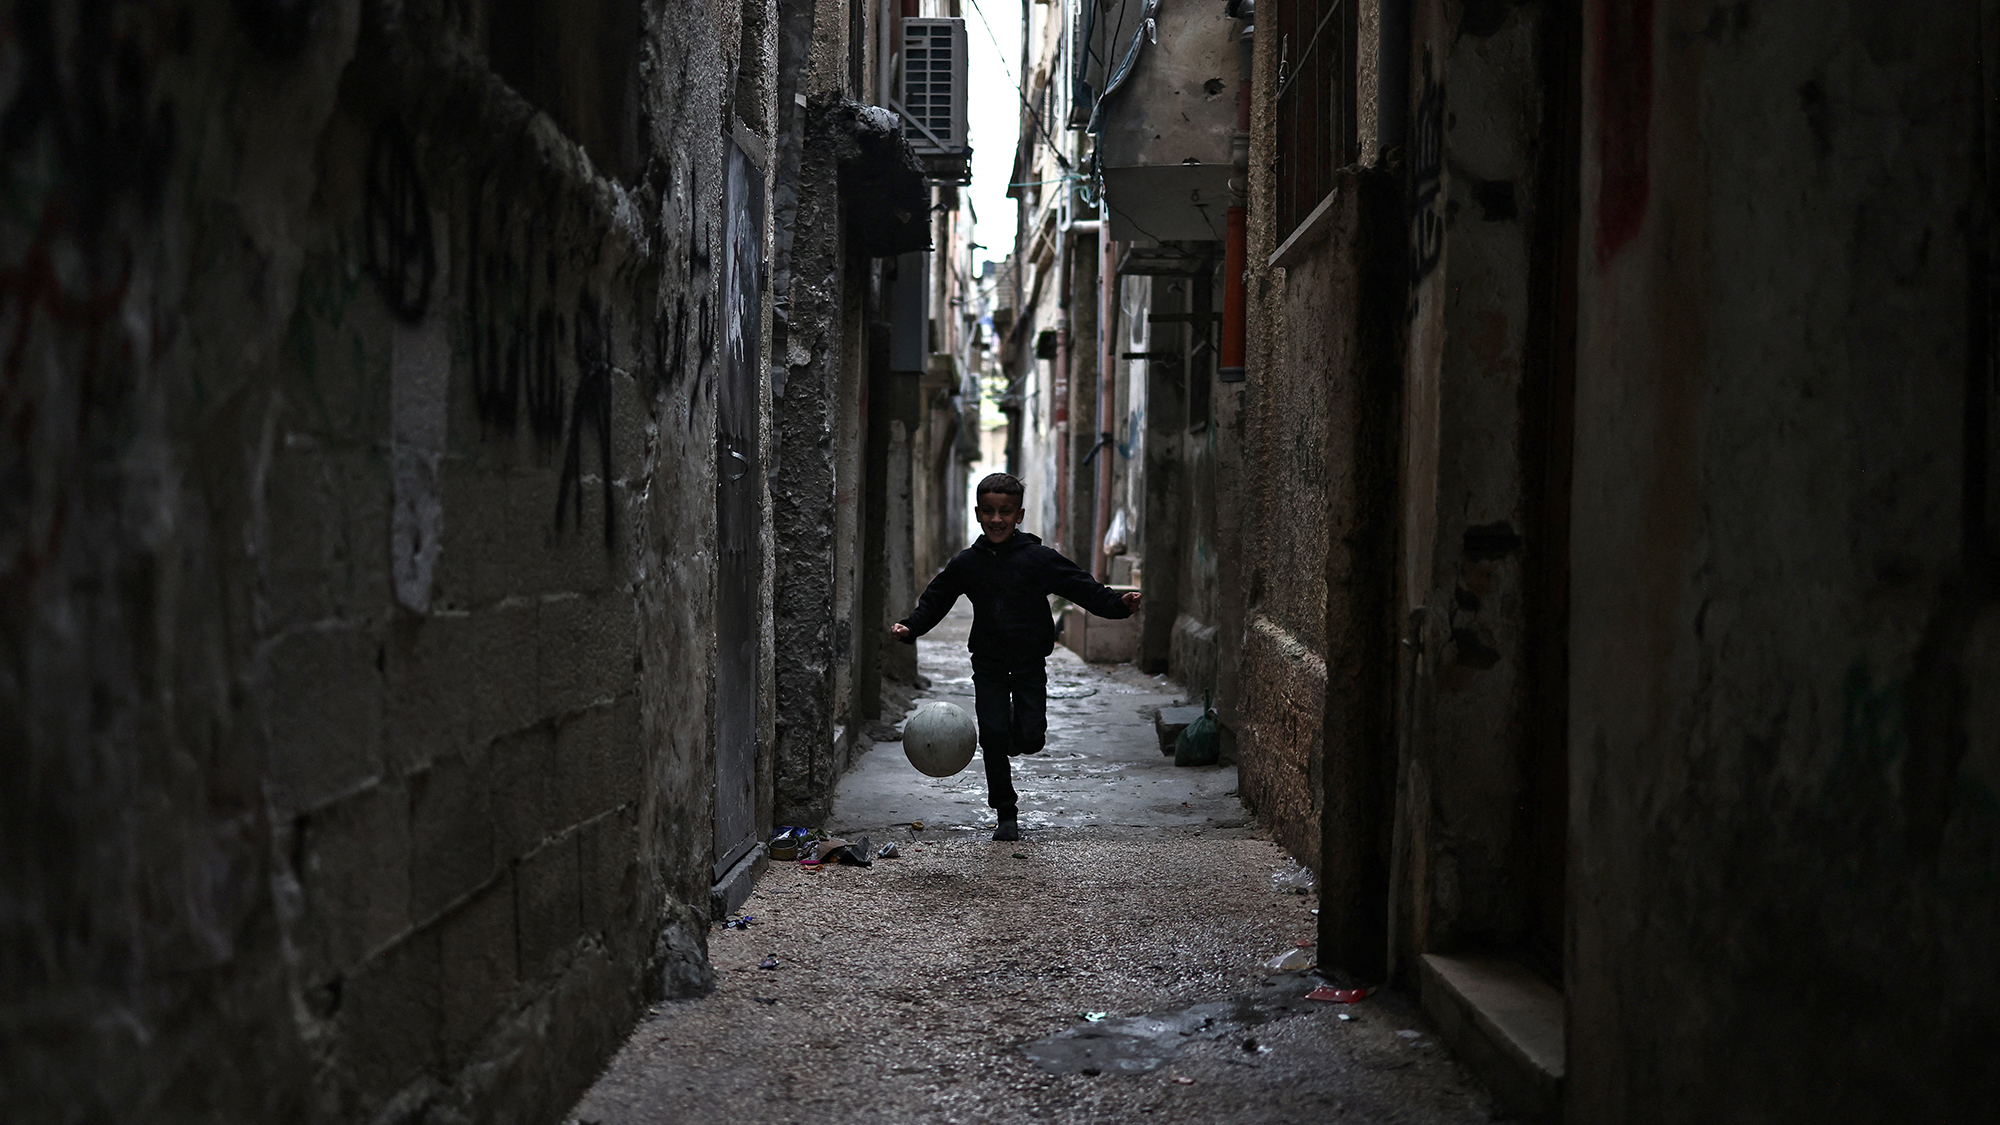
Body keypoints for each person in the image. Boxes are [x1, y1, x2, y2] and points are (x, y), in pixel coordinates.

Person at [890, 472, 1141, 841]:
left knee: (1031, 737)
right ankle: (1006, 812)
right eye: (989, 511)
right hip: (988, 662)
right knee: (991, 736)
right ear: (978, 513)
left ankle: (1010, 728)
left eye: (1005, 512)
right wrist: (911, 627)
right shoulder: (967, 564)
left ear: (1018, 515)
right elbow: (936, 599)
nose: (997, 519)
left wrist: (1117, 604)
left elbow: (1080, 586)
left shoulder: (1037, 559)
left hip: (1027, 663)